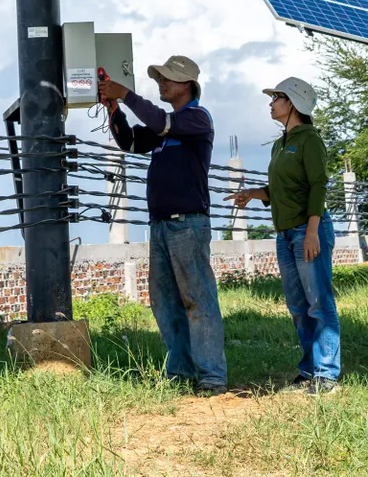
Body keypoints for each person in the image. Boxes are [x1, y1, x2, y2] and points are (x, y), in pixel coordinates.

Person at [100, 54, 228, 395]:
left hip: (187, 224)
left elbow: (160, 122)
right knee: (166, 301)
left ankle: (212, 376)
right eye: (160, 77)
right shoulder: (165, 128)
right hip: (161, 226)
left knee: (198, 300)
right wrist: (114, 108)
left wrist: (126, 94)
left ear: (187, 85)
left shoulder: (196, 119)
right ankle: (182, 372)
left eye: (167, 78)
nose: (162, 83)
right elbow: (128, 141)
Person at [231, 76, 340, 394]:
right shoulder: (280, 144)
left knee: (319, 302)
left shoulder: (309, 139)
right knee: (297, 304)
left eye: (275, 97)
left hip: (309, 230)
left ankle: (327, 374)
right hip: (285, 234)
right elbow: (283, 189)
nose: (270, 103)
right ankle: (309, 370)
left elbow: (317, 185)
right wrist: (256, 193)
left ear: (291, 103)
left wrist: (312, 231)